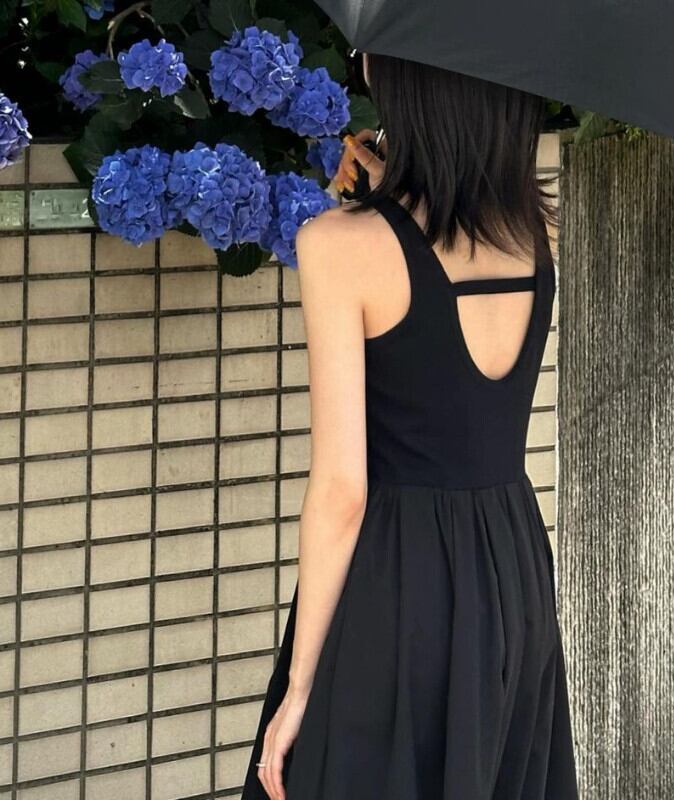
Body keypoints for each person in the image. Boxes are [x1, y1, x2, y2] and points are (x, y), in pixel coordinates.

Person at [240, 51, 579, 800]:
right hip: (513, 571)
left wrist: (301, 685)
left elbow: (342, 491)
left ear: (409, 79)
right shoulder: (532, 233)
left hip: (397, 581)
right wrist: (392, 183)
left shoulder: (338, 246)